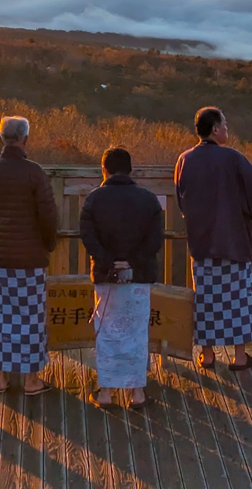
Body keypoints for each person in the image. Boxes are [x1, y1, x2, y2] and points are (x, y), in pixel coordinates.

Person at [174, 107, 252, 371]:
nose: (227, 129)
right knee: (238, 299)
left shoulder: (185, 159)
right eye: (225, 125)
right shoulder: (232, 158)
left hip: (202, 240)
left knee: (206, 299)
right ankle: (239, 357)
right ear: (215, 129)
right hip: (233, 239)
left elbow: (181, 200)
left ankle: (207, 354)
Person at [0, 115, 58, 395]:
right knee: (31, 317)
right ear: (25, 139)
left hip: (1, 258)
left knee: (3, 317)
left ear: (2, 138)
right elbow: (48, 215)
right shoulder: (34, 172)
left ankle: (1, 378)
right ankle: (31, 380)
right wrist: (47, 244)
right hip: (31, 259)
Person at [79, 147, 165, 409]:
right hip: (138, 275)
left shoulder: (94, 199)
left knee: (107, 332)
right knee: (136, 333)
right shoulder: (148, 200)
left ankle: (106, 392)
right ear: (130, 170)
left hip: (106, 276)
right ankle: (137, 394)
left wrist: (107, 260)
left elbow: (88, 236)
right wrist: (133, 260)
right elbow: (155, 239)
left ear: (103, 169)